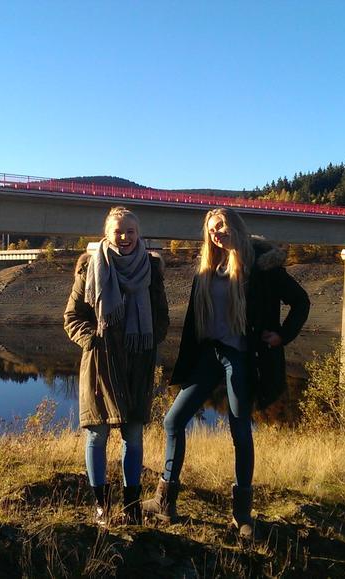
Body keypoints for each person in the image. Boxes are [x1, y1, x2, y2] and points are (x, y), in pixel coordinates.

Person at [142, 207, 309, 537]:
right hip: (210, 353)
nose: (217, 232)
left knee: (240, 431)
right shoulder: (207, 266)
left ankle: (242, 515)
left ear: (236, 226)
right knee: (173, 420)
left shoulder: (262, 266)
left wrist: (281, 335)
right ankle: (165, 501)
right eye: (211, 228)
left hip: (242, 357)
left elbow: (301, 301)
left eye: (221, 226)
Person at [64, 206, 169, 526]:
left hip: (137, 364)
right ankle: (100, 506)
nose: (124, 237)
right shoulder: (89, 266)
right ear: (107, 234)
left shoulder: (151, 268)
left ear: (139, 234)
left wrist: (148, 343)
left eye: (130, 231)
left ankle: (131, 505)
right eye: (118, 232)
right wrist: (93, 341)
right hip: (100, 364)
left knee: (133, 436)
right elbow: (71, 318)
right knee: (96, 435)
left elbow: (162, 317)